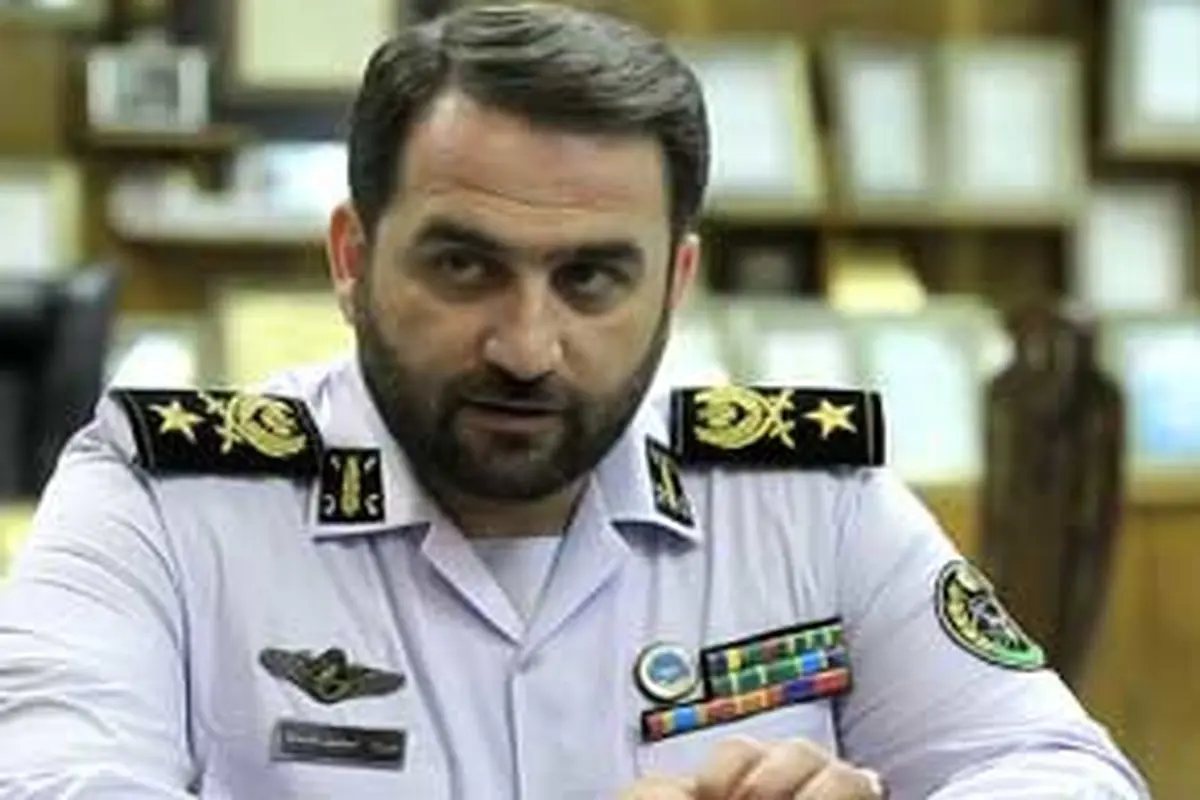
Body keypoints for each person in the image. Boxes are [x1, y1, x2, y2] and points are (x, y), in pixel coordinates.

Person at [0, 3, 1149, 799]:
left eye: (592, 278)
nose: (526, 346)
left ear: (677, 283)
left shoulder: (810, 498)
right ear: (351, 257)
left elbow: (1062, 769)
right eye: (464, 266)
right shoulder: (166, 501)